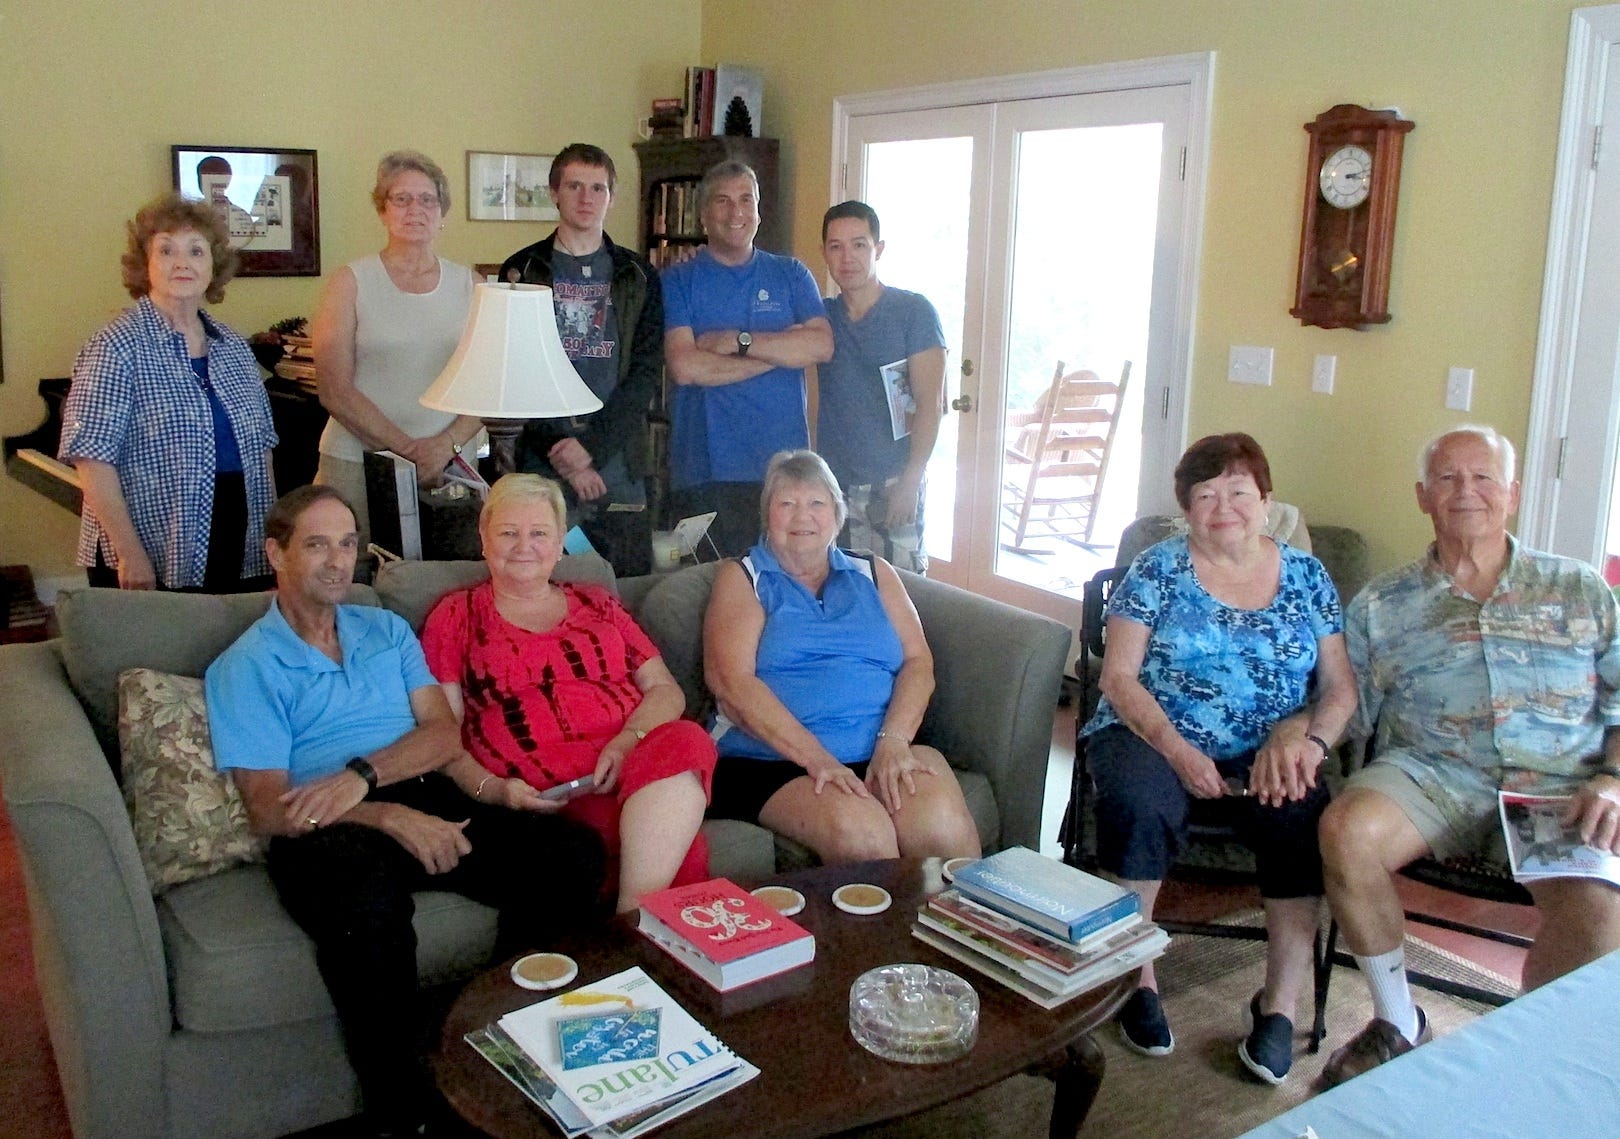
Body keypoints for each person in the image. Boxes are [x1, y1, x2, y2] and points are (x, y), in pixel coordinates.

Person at [206, 485, 606, 1138]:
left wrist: (366, 777)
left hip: (410, 789)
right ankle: (406, 1111)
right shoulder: (246, 666)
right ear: (275, 552)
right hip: (324, 829)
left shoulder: (384, 628)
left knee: (571, 854)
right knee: (368, 911)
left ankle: (502, 1041)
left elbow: (443, 734)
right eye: (316, 543)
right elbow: (267, 808)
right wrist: (384, 815)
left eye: (346, 542)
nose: (339, 560)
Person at [1318, 424, 1620, 1087]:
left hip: (1559, 785)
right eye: (1449, 478)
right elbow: (1345, 707)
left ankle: (1526, 1052)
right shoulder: (1380, 605)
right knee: (1344, 829)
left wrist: (1613, 777)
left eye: (1484, 478)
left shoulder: (1579, 589)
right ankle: (1398, 1022)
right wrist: (1299, 734)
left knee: (1601, 916)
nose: (1467, 492)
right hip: (1434, 774)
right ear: (1423, 495)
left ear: (1512, 494)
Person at [1079, 432, 1357, 1085]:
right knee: (1141, 799)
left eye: (1238, 491)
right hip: (1150, 731)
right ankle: (1135, 973)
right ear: (1187, 509)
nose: (1223, 506)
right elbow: (1118, 678)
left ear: (1266, 500)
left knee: (1299, 808)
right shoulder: (1157, 569)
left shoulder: (1308, 577)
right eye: (1206, 494)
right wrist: (1177, 750)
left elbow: (1339, 687)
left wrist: (1307, 742)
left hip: (1269, 745)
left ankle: (1280, 1005)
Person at [419, 474, 715, 913]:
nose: (525, 545)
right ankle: (651, 934)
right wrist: (496, 791)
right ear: (483, 538)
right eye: (508, 532)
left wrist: (625, 740)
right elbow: (444, 734)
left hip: (639, 764)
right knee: (671, 839)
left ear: (560, 543)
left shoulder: (597, 604)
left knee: (688, 739)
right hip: (549, 796)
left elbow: (665, 690)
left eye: (539, 533)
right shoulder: (456, 615)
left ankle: (629, 927)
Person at [703, 449, 981, 864]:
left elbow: (917, 663)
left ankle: (967, 928)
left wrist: (894, 742)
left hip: (882, 747)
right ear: (767, 516)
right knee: (864, 839)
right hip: (775, 761)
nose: (803, 517)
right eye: (787, 504)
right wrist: (819, 760)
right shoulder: (743, 576)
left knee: (941, 832)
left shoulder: (874, 571)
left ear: (837, 515)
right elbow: (732, 685)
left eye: (817, 503)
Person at [59, 192, 277, 592]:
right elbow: (91, 459)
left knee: (227, 647)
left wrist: (271, 544)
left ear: (214, 266)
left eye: (196, 251)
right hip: (154, 543)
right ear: (145, 264)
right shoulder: (116, 345)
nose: (182, 262)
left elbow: (262, 449)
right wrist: (129, 551)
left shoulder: (233, 346)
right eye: (166, 250)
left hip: (235, 531)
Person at [498, 143, 663, 575]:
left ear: (612, 197)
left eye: (598, 188)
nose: (587, 198)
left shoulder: (639, 275)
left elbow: (645, 374)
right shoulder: (522, 269)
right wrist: (565, 455)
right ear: (554, 192)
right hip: (543, 457)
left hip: (618, 457)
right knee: (545, 578)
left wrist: (589, 450)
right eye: (574, 186)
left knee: (624, 586)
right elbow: (517, 373)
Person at [311, 150, 484, 553]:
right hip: (357, 463)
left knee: (446, 580)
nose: (415, 210)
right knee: (351, 577)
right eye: (401, 199)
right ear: (383, 209)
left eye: (427, 199)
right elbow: (334, 389)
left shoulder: (471, 285)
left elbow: (489, 385)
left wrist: (445, 447)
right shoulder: (350, 282)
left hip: (451, 467)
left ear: (442, 211)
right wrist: (407, 452)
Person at [662, 161, 832, 556]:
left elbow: (820, 347)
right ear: (703, 214)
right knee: (705, 592)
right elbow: (686, 368)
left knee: (783, 591)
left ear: (758, 210)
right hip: (703, 472)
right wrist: (781, 353)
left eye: (745, 200)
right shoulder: (677, 281)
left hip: (784, 476)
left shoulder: (791, 274)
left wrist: (738, 342)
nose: (735, 213)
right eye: (722, 201)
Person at [817, 200, 946, 574]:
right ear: (825, 252)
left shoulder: (914, 312)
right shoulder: (821, 316)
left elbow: (930, 402)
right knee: (848, 590)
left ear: (879, 249)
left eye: (859, 244)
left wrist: (911, 479)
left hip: (894, 482)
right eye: (835, 246)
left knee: (905, 593)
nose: (847, 257)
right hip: (834, 486)